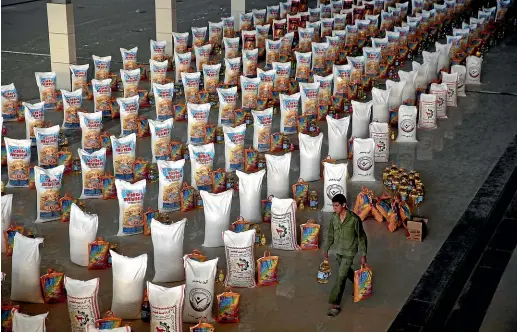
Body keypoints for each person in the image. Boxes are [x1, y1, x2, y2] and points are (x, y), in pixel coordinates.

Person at [323, 193, 368, 317]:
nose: (334, 208)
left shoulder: (354, 219)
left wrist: (363, 254)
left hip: (349, 252)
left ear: (344, 205)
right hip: (338, 251)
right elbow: (330, 234)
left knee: (341, 276)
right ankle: (357, 283)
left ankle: (335, 304)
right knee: (346, 272)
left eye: (336, 206)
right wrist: (326, 249)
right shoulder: (334, 217)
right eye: (333, 206)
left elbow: (361, 237)